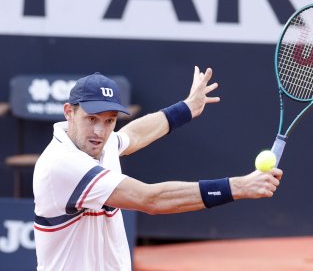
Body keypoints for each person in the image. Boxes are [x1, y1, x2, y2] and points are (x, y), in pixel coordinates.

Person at [33, 66, 283, 271]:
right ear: (69, 112)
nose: (100, 131)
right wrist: (239, 186)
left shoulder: (100, 143)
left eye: (109, 121)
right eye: (92, 119)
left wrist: (187, 108)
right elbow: (151, 199)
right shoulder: (62, 165)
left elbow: (133, 135)